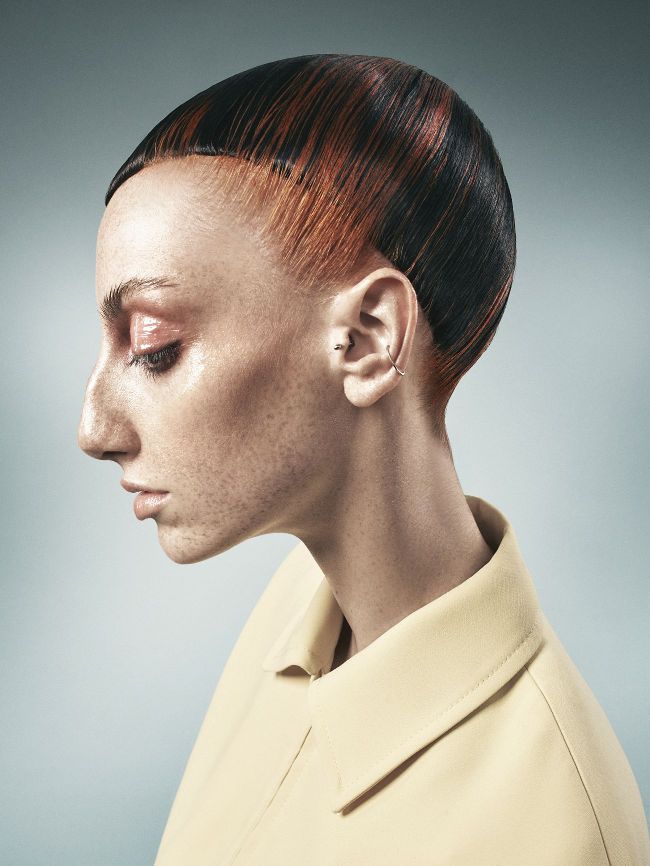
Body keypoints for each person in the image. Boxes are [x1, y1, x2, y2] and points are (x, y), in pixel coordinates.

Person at [77, 54, 649, 864]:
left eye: (154, 345)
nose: (94, 429)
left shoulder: (545, 829)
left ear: (370, 338)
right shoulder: (295, 610)